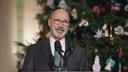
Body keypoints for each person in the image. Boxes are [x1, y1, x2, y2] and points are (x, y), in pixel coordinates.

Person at [22, 8, 90, 71]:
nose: (61, 25)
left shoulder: (79, 52)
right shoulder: (33, 51)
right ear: (49, 22)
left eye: (65, 22)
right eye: (57, 20)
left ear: (68, 26)